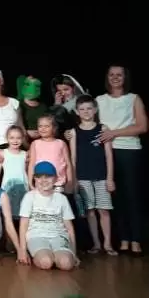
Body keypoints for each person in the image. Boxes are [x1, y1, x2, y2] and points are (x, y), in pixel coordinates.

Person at [95, 65, 147, 255]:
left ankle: (136, 240)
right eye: (112, 74)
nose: (115, 77)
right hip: (106, 152)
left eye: (119, 75)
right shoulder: (99, 100)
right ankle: (124, 239)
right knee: (114, 197)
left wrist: (114, 133)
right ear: (107, 77)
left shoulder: (133, 98)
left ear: (125, 78)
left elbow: (142, 126)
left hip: (129, 151)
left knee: (132, 195)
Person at [68, 95, 117, 256]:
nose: (86, 112)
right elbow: (73, 158)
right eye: (82, 109)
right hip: (83, 177)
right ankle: (96, 244)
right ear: (77, 112)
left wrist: (110, 178)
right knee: (89, 211)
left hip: (102, 176)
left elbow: (109, 155)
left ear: (95, 110)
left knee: (104, 210)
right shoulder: (74, 132)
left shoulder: (103, 128)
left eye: (89, 108)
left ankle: (107, 244)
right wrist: (74, 179)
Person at [19, 161, 78, 270]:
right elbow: (23, 226)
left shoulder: (62, 199)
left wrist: (74, 253)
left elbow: (69, 228)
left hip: (59, 237)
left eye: (48, 176)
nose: (43, 180)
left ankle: (57, 256)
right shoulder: (29, 197)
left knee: (66, 263)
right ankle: (44, 256)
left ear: (55, 179)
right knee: (46, 262)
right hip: (36, 236)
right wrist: (22, 250)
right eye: (39, 177)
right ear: (35, 179)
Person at [28, 114, 73, 193]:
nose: (43, 129)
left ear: (54, 128)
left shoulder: (61, 143)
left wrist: (70, 182)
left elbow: (68, 164)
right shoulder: (35, 143)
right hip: (40, 184)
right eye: (40, 126)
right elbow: (31, 164)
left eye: (47, 126)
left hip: (58, 184)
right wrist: (30, 183)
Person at [0, 125, 29, 218]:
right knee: (7, 213)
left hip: (23, 186)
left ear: (23, 139)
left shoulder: (25, 154)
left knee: (23, 213)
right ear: (7, 138)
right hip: (7, 187)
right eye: (12, 138)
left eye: (18, 138)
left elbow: (27, 171)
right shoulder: (3, 153)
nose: (15, 141)